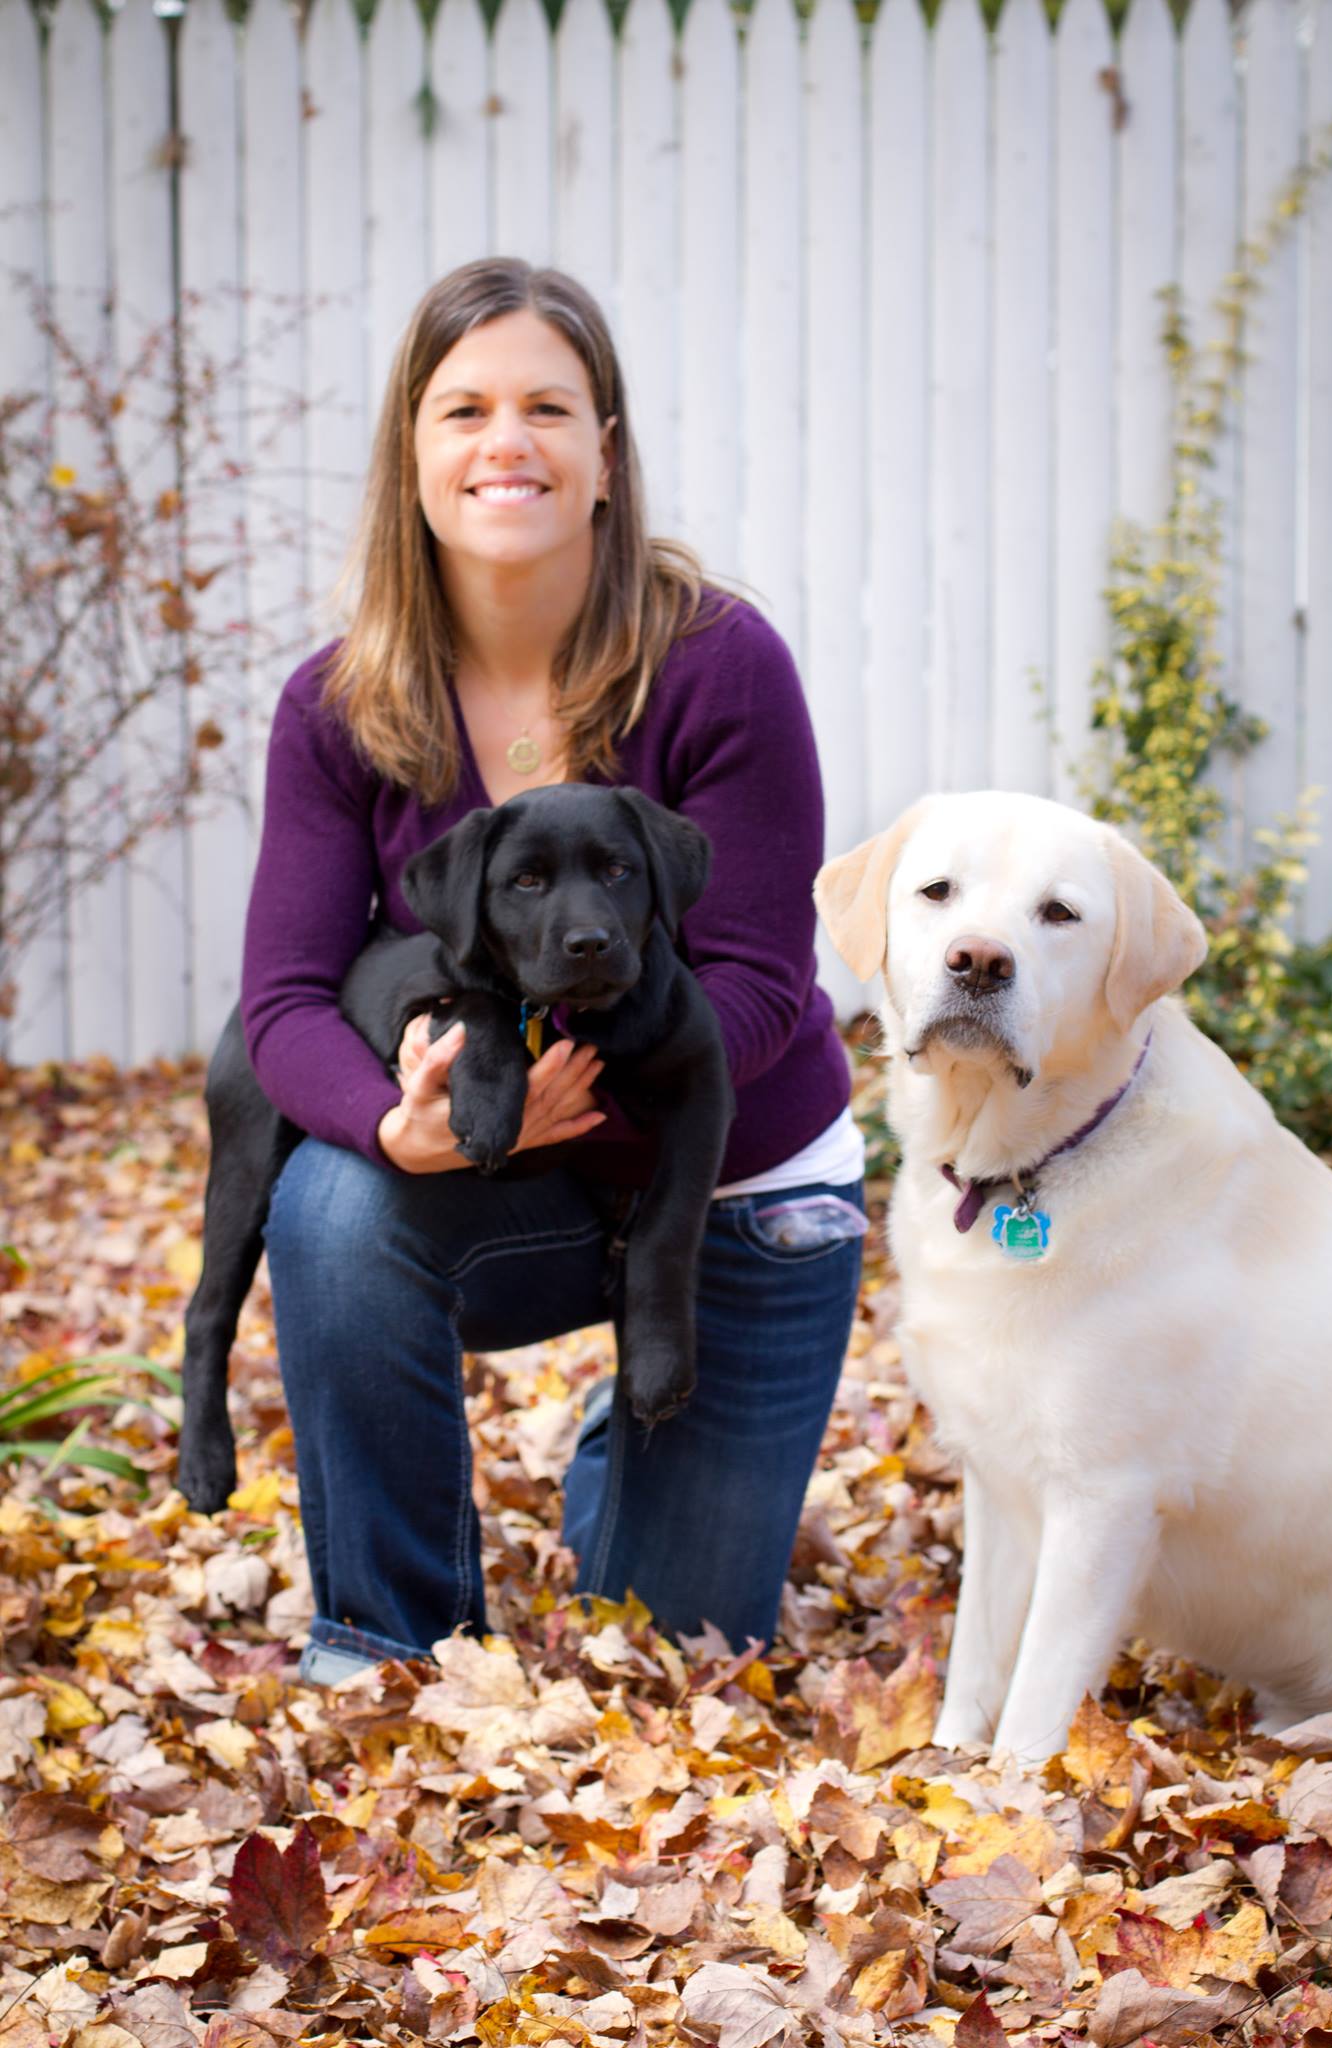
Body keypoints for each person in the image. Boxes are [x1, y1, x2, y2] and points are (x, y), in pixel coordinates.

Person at [241, 258, 867, 1685]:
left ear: (605, 453)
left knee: (674, 1650)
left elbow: (762, 986)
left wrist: (568, 1083)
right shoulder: (340, 705)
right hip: (504, 1181)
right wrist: (394, 1121)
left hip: (730, 1199)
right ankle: (383, 1645)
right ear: (412, 455)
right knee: (335, 1205)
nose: (504, 442)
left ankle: (632, 1447)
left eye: (546, 407)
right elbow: (281, 999)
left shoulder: (717, 662)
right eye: (462, 409)